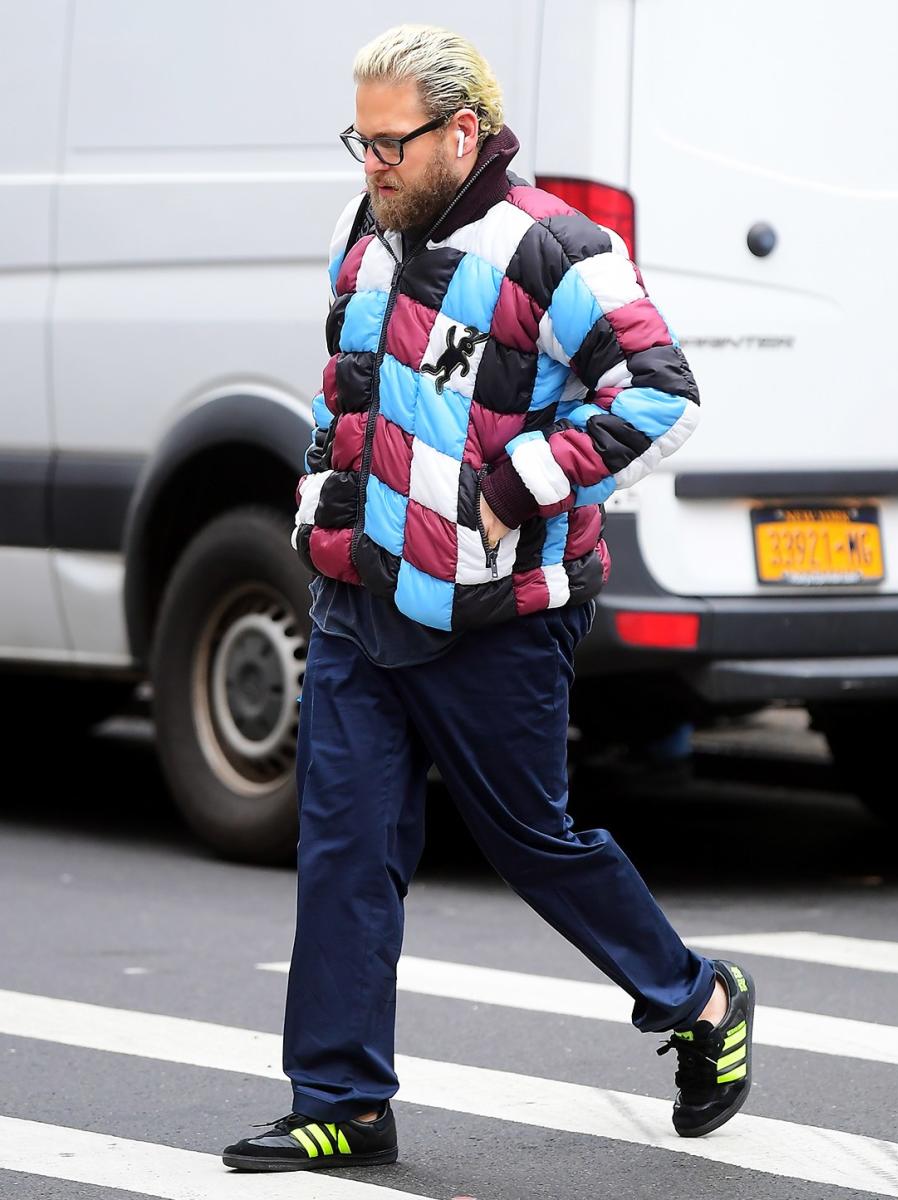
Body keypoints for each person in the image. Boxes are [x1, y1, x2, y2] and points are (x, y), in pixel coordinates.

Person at [222, 22, 756, 1173]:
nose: (368, 167)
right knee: (344, 848)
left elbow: (664, 395)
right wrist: (324, 501)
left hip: (498, 609)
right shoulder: (363, 233)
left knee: (533, 844)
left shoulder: (555, 249)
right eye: (356, 143)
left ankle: (700, 1000)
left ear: (463, 133)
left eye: (389, 145)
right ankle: (342, 1101)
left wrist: (514, 486)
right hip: (360, 597)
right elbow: (345, 388)